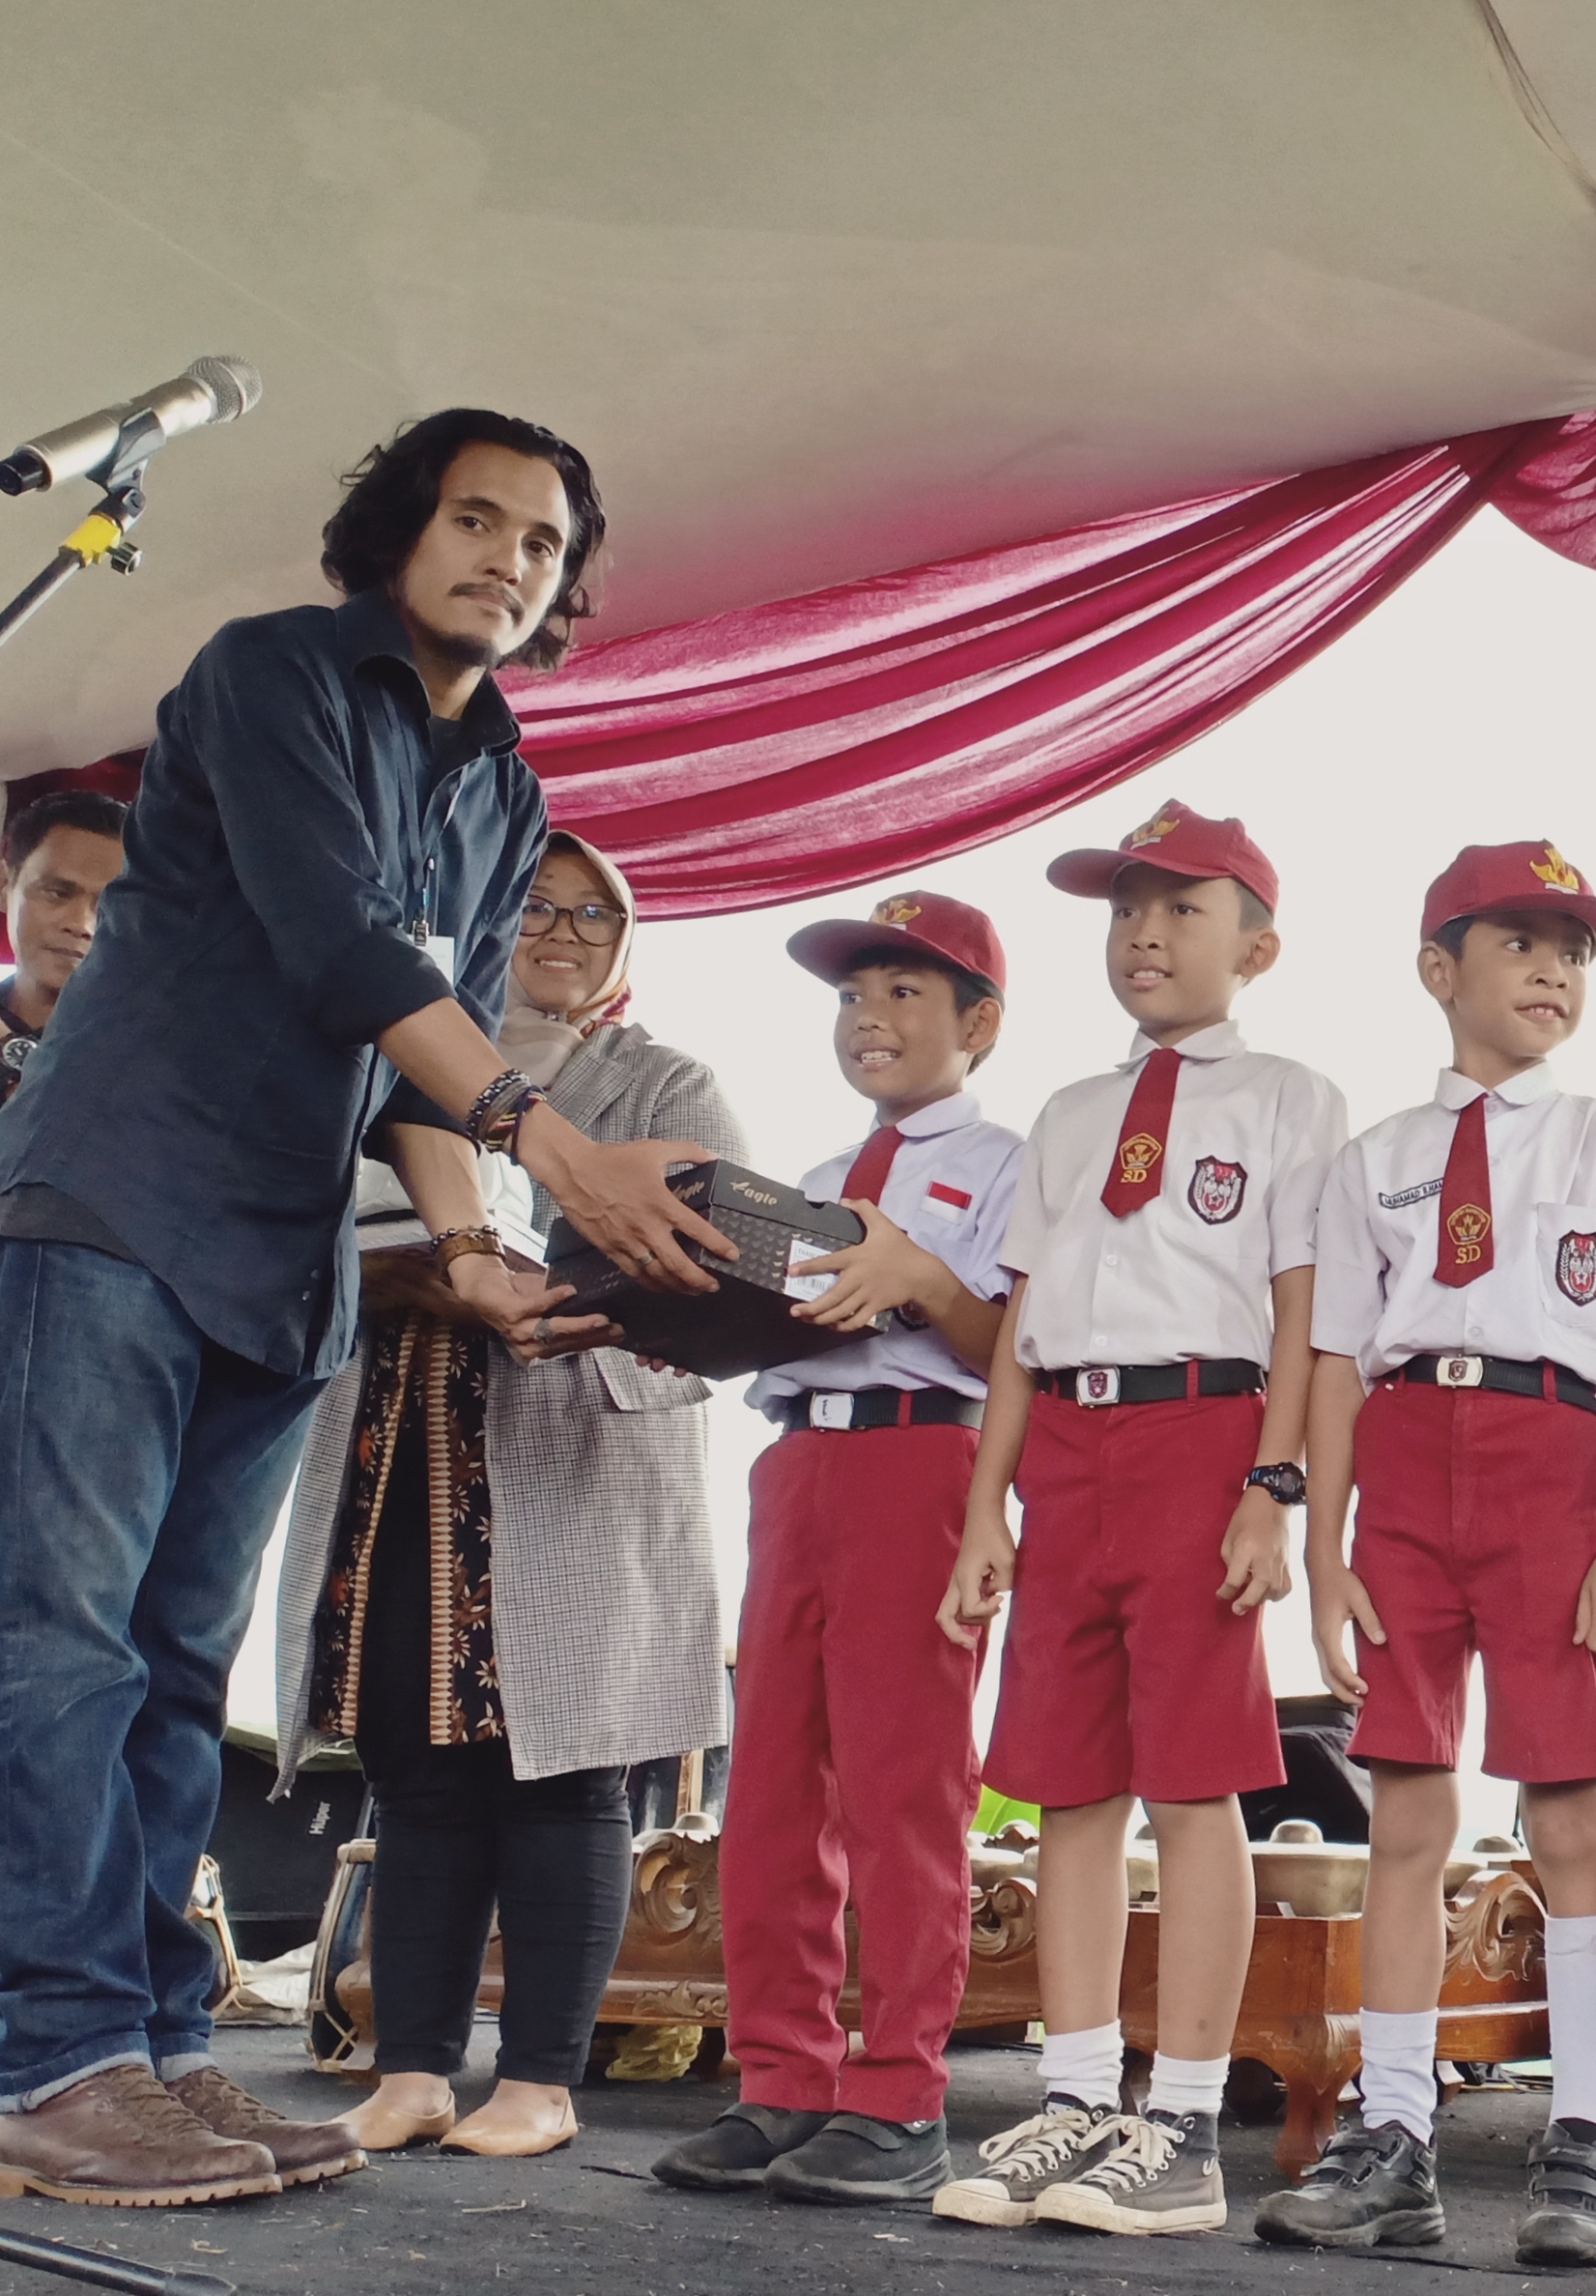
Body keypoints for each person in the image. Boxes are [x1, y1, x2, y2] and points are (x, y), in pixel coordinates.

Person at [0, 411, 725, 2209]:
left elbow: (415, 1066)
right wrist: (556, 1143)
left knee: (172, 1669)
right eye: (477, 519)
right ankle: (55, 2066)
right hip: (117, 1197)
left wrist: (479, 1245)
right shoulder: (273, 673)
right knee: (67, 1642)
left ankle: (157, 2059)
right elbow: (346, 951)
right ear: (399, 531)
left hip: (283, 1259)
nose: (508, 559)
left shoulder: (507, 794)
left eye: (543, 544)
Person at [1254, 842, 1596, 2268]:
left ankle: (1581, 2143)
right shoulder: (1375, 1160)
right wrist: (1327, 1553)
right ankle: (1394, 2134)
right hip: (1402, 1469)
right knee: (1405, 1813)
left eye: (1575, 951)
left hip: (1551, 1463)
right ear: (1438, 969)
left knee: (1567, 1808)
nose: (1555, 971)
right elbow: (1335, 1365)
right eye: (1522, 942)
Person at [271, 831, 744, 2158]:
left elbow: (723, 1267)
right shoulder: (392, 1062)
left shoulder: (661, 1078)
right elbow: (300, 1237)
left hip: (577, 1453)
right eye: (538, 905)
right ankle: (414, 2073)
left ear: (626, 944)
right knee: (414, 1770)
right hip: (400, 1444)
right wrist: (407, 1273)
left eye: (598, 916)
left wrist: (546, 1284)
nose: (563, 934)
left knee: (566, 1773)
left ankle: (539, 2083)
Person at [932, 802, 1345, 2238]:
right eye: (1125, 911)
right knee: (1070, 1787)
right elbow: (1020, 1326)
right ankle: (1073, 2096)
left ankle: (1184, 2121)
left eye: (1181, 909)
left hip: (1203, 1431)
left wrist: (1273, 1487)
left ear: (1257, 946)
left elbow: (1301, 1310)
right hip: (1069, 1444)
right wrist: (987, 1506)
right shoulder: (1066, 1114)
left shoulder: (1287, 1098)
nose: (1145, 935)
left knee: (1193, 1780)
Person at [652, 892, 1022, 2205]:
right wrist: (674, 1313)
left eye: (905, 992)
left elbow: (1017, 1348)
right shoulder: (810, 1182)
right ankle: (782, 2078)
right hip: (796, 1461)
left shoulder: (1013, 1164)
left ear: (980, 1022)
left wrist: (920, 1275)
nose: (869, 1016)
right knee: (770, 1788)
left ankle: (901, 2094)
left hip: (923, 1459)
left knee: (902, 1786)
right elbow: (768, 1326)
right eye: (854, 996)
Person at [0, 789, 126, 2111]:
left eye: (114, 901)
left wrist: (1, 1056)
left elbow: (126, 1180)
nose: (81, 922)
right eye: (59, 889)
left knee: (60, 1755)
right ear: (8, 887)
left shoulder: (148, 1056)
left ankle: (56, 2059)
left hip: (79, 1456)